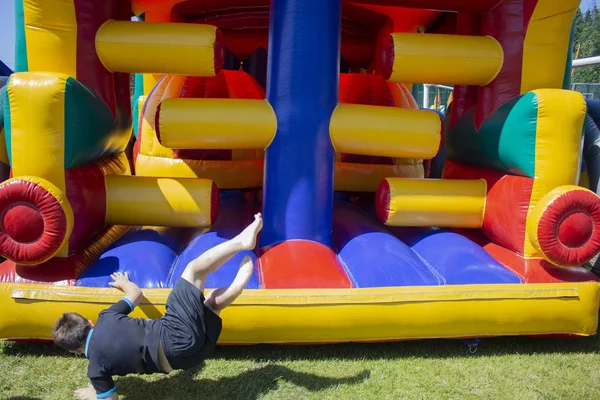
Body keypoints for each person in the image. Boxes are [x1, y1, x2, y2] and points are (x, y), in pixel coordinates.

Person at [53, 213, 264, 400]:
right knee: (193, 271)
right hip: (174, 335)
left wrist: (95, 393)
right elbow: (136, 295)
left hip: (188, 358)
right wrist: (126, 284)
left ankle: (235, 287)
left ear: (75, 351)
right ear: (89, 323)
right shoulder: (106, 316)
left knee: (210, 306)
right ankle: (241, 242)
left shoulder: (96, 369)